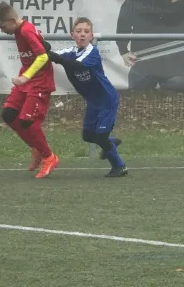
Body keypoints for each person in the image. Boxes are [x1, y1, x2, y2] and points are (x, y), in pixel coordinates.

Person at [44, 17, 128, 177]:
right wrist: (41, 45)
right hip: (93, 101)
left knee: (101, 135)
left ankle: (120, 166)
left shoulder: (93, 52)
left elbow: (77, 65)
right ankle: (111, 143)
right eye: (78, 31)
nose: (82, 35)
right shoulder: (69, 52)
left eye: (86, 32)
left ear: (91, 36)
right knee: (88, 135)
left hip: (107, 99)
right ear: (72, 35)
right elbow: (52, 55)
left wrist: (55, 57)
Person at [0, 2, 59, 179]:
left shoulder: (26, 31)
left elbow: (43, 56)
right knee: (8, 114)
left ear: (13, 20)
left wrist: (26, 77)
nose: (3, 30)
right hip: (28, 80)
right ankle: (36, 147)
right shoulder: (20, 30)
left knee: (29, 122)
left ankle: (49, 157)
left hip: (39, 82)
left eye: (3, 27)